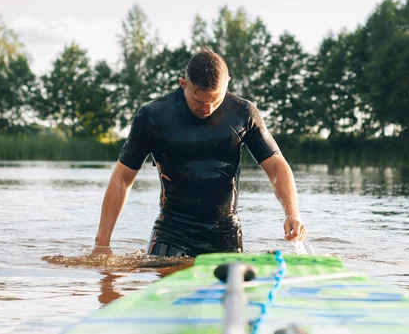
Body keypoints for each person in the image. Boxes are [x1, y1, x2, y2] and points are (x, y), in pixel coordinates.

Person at [92, 47, 307, 257]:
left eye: (215, 101)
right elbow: (122, 178)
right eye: (199, 101)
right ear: (183, 84)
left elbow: (277, 167)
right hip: (171, 232)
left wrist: (292, 213)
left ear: (227, 84)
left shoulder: (244, 113)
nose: (207, 109)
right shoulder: (153, 116)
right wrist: (102, 244)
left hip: (225, 233)